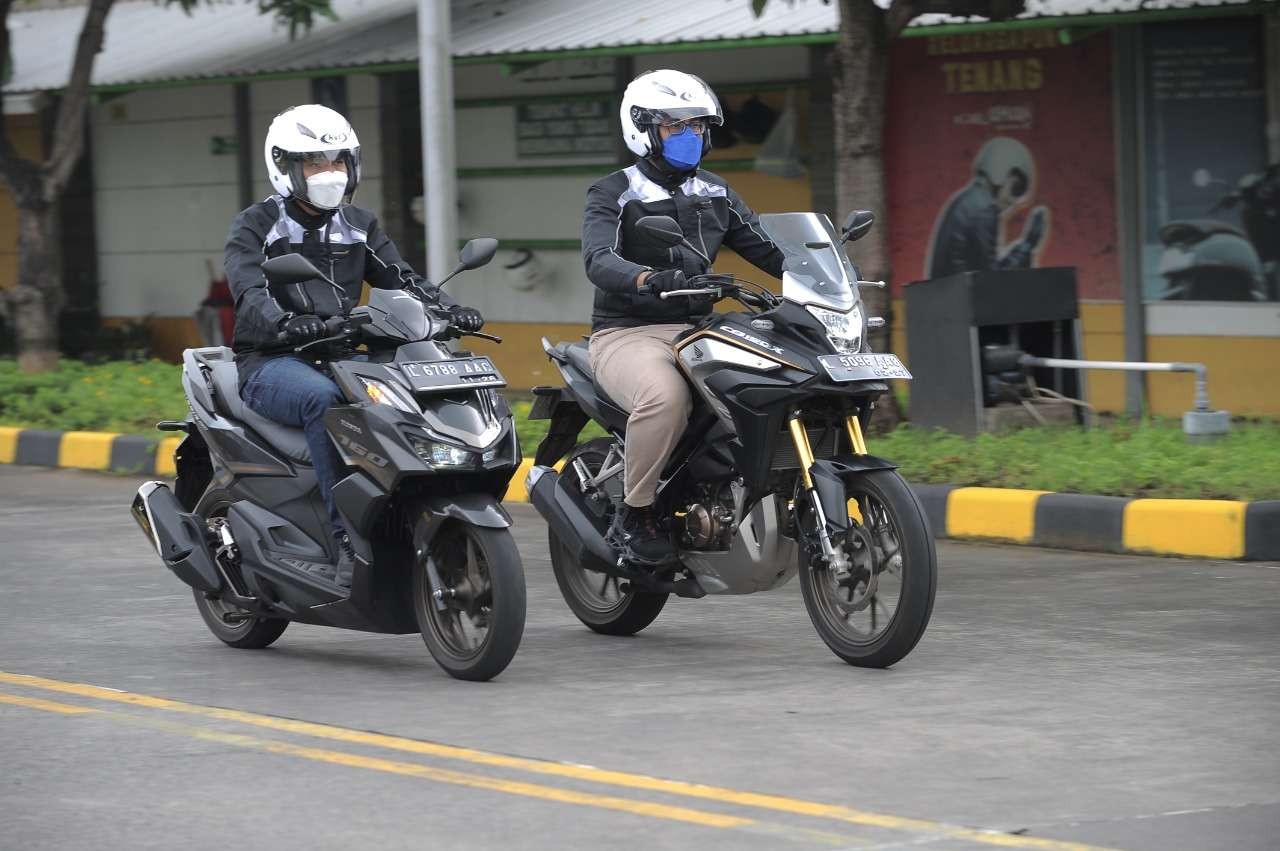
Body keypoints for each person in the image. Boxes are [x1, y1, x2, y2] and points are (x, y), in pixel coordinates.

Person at [224, 104, 484, 586]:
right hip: (272, 360)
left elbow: (402, 278)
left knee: (404, 396)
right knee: (326, 402)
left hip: (343, 353)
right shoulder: (257, 225)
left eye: (337, 162)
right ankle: (345, 538)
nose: (329, 174)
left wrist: (448, 309)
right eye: (315, 163)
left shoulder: (360, 223)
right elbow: (248, 289)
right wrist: (285, 321)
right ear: (285, 168)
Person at [581, 69, 784, 564]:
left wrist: (824, 269)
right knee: (664, 396)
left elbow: (768, 250)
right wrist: (649, 279)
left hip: (700, 329)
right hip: (629, 333)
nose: (691, 136)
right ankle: (637, 511)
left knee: (773, 379)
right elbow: (598, 259)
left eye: (698, 126)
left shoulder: (715, 192)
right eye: (677, 127)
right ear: (643, 129)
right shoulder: (614, 193)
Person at [925, 136, 1049, 279]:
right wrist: (1027, 245)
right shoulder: (984, 210)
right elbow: (992, 281)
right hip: (962, 299)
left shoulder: (967, 200)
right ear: (1001, 173)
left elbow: (987, 273)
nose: (1014, 202)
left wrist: (1023, 248)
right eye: (1017, 188)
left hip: (953, 297)